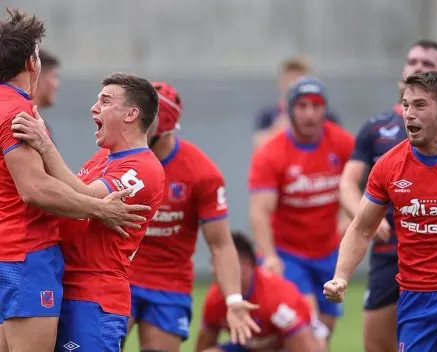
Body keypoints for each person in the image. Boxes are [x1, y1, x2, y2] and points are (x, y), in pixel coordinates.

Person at [0, 9, 148, 352]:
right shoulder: (16, 112)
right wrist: (99, 209)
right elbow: (35, 189)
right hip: (25, 255)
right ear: (31, 63)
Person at [12, 72, 165, 351]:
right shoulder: (101, 159)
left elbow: (85, 198)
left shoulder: (144, 168)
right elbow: (70, 197)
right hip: (63, 286)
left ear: (131, 114)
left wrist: (44, 145)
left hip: (94, 296)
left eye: (105, 101)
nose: (94, 108)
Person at [338, 40, 437, 352]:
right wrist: (341, 277)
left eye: (420, 106)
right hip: (415, 295)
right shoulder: (388, 165)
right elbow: (360, 228)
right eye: (406, 105)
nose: (409, 114)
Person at [126, 81, 260, 352]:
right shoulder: (114, 158)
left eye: (141, 116)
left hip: (169, 285)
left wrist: (233, 300)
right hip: (119, 276)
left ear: (161, 125)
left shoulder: (201, 173)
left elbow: (221, 244)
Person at [248, 76, 355, 343]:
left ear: (325, 109)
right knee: (310, 327)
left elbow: (360, 191)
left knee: (324, 332)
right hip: (289, 256)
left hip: (329, 253)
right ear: (290, 109)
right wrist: (271, 257)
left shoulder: (342, 143)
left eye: (316, 106)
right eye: (302, 106)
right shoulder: (271, 152)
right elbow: (260, 211)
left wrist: (346, 228)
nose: (310, 113)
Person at [196, 231, 325, 352]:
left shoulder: (275, 296)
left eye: (219, 264)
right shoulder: (215, 297)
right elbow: (204, 342)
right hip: (250, 345)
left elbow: (303, 341)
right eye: (213, 263)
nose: (212, 270)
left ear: (246, 265)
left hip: (288, 343)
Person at [252, 55, 341, 148]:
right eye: (288, 79)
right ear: (280, 82)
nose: (292, 85)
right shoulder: (267, 114)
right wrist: (281, 128)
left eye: (296, 79)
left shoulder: (325, 114)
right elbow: (259, 145)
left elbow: (340, 144)